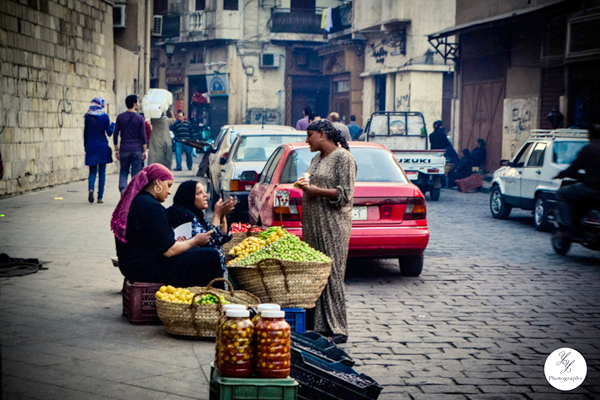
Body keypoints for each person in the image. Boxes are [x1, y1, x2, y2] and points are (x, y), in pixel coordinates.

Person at [111, 163, 224, 286]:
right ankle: (215, 300)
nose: (169, 192)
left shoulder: (140, 201)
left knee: (196, 252)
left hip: (134, 265)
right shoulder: (151, 207)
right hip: (145, 268)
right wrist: (195, 240)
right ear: (158, 183)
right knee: (211, 256)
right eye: (168, 185)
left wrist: (183, 244)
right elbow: (168, 251)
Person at [297, 119, 356, 344]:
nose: (306, 140)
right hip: (313, 223)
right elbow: (310, 180)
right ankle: (319, 326)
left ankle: (338, 327)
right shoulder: (316, 158)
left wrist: (315, 190)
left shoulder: (343, 158)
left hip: (332, 224)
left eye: (309, 135)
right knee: (317, 273)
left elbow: (345, 193)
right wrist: (303, 184)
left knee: (333, 273)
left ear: (322, 134)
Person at [166, 180, 236, 272]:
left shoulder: (197, 215)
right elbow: (211, 241)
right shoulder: (183, 215)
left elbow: (221, 238)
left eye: (204, 191)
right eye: (199, 193)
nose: (205, 195)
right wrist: (217, 215)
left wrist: (223, 215)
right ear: (189, 197)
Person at [553, 123, 600, 238]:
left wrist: (561, 175)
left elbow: (574, 168)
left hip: (591, 188)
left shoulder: (588, 149)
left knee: (561, 194)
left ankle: (567, 228)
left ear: (590, 136)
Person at [114, 95, 147, 193]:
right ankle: (133, 193)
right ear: (134, 104)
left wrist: (116, 149)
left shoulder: (120, 117)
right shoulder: (140, 118)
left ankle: (123, 189)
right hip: (137, 150)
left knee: (123, 171)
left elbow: (115, 134)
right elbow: (143, 135)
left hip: (124, 149)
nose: (139, 104)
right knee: (135, 173)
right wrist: (145, 150)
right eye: (138, 102)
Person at [84, 97, 114, 203]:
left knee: (92, 172)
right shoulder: (105, 117)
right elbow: (109, 133)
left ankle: (91, 189)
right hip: (102, 147)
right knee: (102, 172)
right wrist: (113, 125)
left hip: (90, 146)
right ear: (100, 105)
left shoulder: (87, 117)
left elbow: (85, 133)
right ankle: (100, 197)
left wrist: (85, 146)